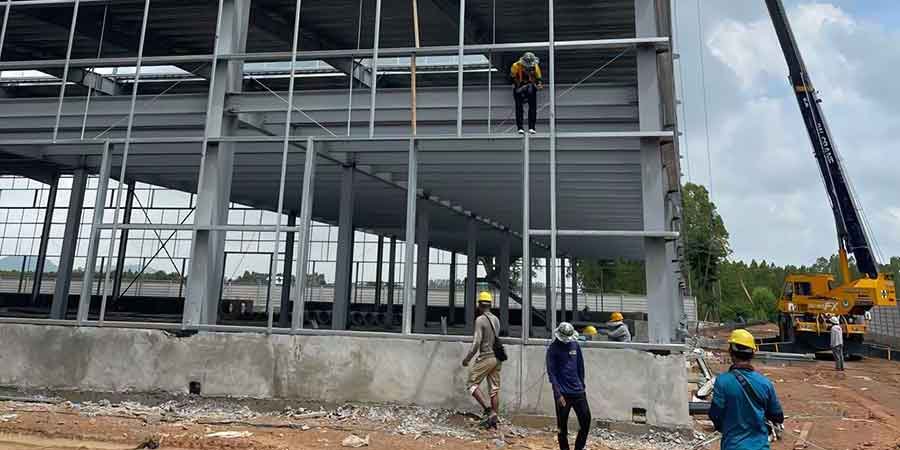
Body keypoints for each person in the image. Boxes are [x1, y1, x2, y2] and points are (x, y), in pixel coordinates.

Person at [709, 329, 785, 450]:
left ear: (731, 352)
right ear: (752, 354)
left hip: (732, 445)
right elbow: (778, 416)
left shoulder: (722, 382)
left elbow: (715, 415)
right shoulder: (765, 383)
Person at [547, 322, 591, 450]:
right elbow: (552, 374)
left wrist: (582, 386)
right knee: (562, 427)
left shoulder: (575, 345)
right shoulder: (553, 349)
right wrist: (558, 394)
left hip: (578, 392)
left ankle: (579, 447)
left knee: (586, 421)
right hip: (563, 395)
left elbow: (580, 367)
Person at [462, 291, 502, 428]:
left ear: (479, 305)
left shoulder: (480, 320)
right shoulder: (496, 320)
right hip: (497, 358)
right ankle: (495, 419)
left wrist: (467, 359)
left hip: (486, 357)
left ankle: (488, 410)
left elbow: (476, 342)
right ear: (490, 305)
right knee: (494, 390)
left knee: (471, 384)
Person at [510, 52, 543, 135]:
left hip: (530, 86)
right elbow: (512, 78)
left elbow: (538, 78)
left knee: (533, 106)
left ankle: (532, 127)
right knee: (519, 107)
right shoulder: (516, 66)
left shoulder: (535, 66)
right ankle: (520, 127)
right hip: (519, 86)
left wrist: (539, 84)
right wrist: (518, 88)